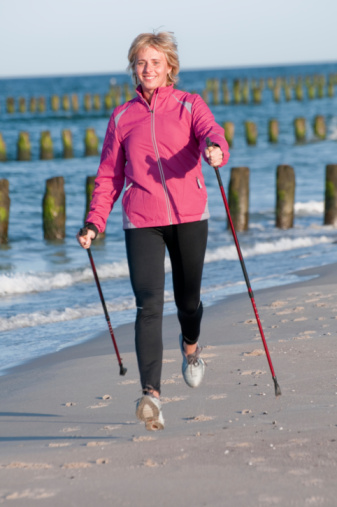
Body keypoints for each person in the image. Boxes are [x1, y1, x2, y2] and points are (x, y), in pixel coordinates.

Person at [77, 31, 230, 431]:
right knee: (148, 304)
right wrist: (95, 221)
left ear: (169, 68)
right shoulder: (121, 117)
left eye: (156, 63)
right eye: (141, 63)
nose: (148, 69)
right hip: (141, 219)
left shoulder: (189, 105)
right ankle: (151, 396)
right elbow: (109, 175)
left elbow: (212, 132)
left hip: (189, 214)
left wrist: (215, 148)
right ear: (134, 68)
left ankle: (191, 348)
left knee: (188, 299)